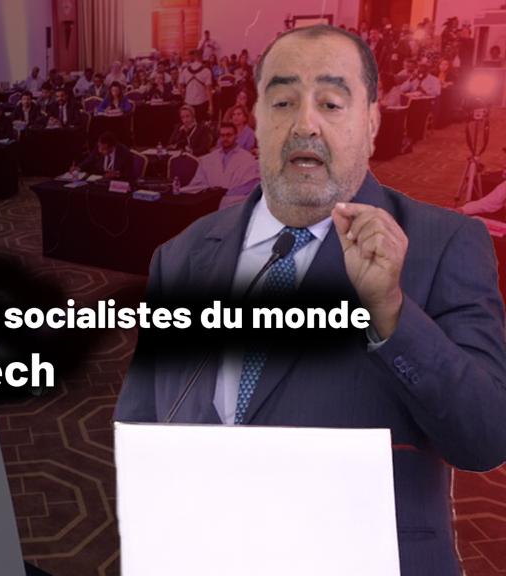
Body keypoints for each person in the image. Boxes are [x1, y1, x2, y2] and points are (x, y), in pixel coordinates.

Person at [115, 25, 506, 576]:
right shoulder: (181, 256)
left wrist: (391, 316)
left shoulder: (444, 243)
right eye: (282, 102)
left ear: (371, 121)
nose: (304, 124)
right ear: (256, 118)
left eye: (330, 102)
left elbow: (485, 437)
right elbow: (142, 417)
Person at [185, 121, 261, 208]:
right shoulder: (210, 158)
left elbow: (250, 186)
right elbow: (199, 183)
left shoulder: (247, 158)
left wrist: (226, 195)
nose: (225, 138)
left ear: (236, 136)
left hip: (234, 202)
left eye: (229, 135)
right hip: (210, 201)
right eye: (222, 135)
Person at [180, 49, 213, 121]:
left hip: (188, 101)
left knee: (189, 123)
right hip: (202, 102)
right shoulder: (206, 71)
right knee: (201, 124)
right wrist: (210, 105)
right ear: (202, 57)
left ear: (194, 57)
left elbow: (180, 86)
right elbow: (208, 89)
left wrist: (184, 96)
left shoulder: (185, 70)